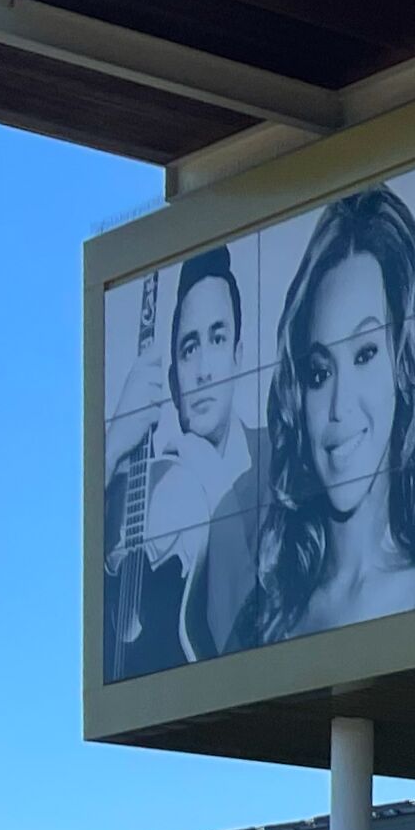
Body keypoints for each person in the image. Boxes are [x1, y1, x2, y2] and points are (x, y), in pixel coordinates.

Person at [235, 188, 415, 647]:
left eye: (366, 354)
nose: (339, 406)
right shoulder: (259, 623)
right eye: (319, 371)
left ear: (405, 366)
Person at [96, 245, 265, 676]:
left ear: (238, 357)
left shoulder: (279, 462)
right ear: (171, 381)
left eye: (218, 338)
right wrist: (113, 445)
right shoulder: (139, 487)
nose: (204, 368)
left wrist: (215, 483)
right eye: (189, 349)